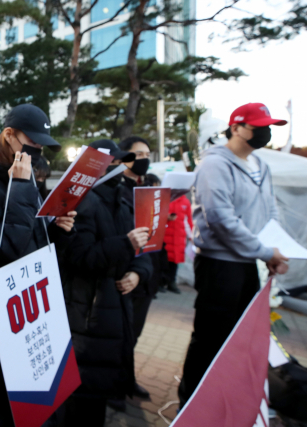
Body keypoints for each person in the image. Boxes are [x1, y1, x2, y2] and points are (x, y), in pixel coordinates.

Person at [0, 104, 76, 426]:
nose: (38, 149)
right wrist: (23, 186)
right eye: (33, 140)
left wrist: (57, 230)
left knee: (38, 408)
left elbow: (33, 247)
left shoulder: (26, 181)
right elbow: (8, 249)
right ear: (9, 136)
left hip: (32, 314)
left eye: (43, 144)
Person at [178, 103, 290, 408]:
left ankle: (221, 397)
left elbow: (270, 210)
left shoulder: (261, 166)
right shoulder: (215, 165)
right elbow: (221, 219)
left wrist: (272, 248)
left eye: (269, 127)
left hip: (247, 264)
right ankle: (191, 402)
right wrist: (266, 251)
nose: (265, 133)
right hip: (218, 265)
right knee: (210, 337)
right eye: (258, 127)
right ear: (237, 127)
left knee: (238, 337)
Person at [60, 139, 152, 426]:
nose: (118, 166)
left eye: (119, 161)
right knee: (83, 400)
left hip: (114, 310)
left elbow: (141, 250)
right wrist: (125, 244)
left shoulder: (122, 200)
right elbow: (81, 257)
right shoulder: (82, 202)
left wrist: (137, 273)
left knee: (98, 395)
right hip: (89, 316)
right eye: (111, 162)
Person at [113, 136, 155, 404]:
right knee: (121, 333)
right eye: (138, 154)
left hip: (146, 269)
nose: (144, 159)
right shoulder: (117, 190)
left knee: (135, 331)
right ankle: (115, 386)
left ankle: (127, 380)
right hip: (124, 270)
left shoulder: (150, 188)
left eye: (147, 154)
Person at [163, 194, 194, 294]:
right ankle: (160, 282)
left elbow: (188, 220)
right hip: (165, 236)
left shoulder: (186, 202)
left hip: (178, 237)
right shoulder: (166, 198)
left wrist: (192, 236)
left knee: (175, 261)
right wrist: (166, 216)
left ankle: (171, 282)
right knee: (162, 260)